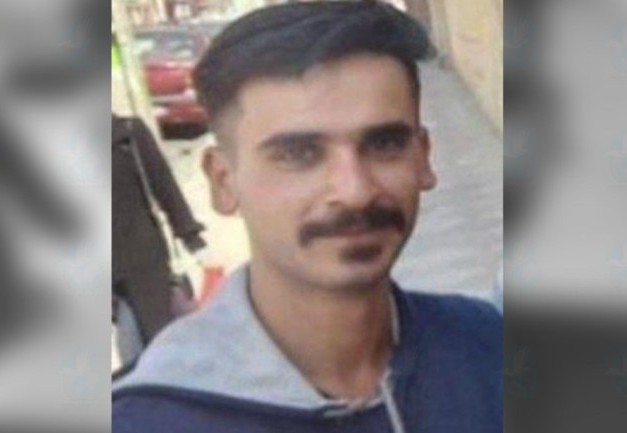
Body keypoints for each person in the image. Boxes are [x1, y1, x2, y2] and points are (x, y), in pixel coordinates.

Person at [113, 2, 502, 432]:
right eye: (299, 154)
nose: (355, 191)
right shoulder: (146, 418)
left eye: (385, 144)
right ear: (223, 181)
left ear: (424, 158)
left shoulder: (488, 347)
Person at [112, 114, 206, 344]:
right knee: (128, 341)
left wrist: (189, 232)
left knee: (160, 336)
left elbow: (162, 181)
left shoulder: (128, 132)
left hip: (144, 258)